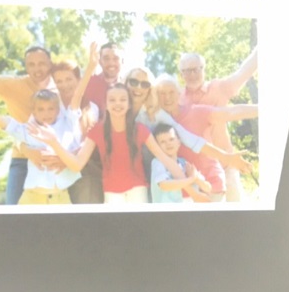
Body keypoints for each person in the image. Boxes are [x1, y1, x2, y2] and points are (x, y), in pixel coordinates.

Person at [30, 83, 186, 204]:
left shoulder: (140, 130)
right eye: (112, 100)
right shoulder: (97, 131)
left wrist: (187, 181)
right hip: (112, 192)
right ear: (105, 104)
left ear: (129, 104)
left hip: (138, 190)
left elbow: (164, 159)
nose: (117, 104)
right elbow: (77, 164)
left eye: (122, 100)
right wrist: (54, 143)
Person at [125, 66, 254, 192]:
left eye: (145, 84)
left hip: (155, 177)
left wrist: (225, 156)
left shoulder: (156, 114)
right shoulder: (119, 106)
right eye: (134, 82)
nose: (139, 88)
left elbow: (190, 139)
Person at [0, 46, 55, 204]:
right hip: (22, 161)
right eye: (31, 64)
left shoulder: (61, 88)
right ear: (26, 66)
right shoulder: (13, 84)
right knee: (13, 211)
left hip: (54, 162)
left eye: (41, 63)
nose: (37, 69)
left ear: (50, 64)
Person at [0, 84, 81, 205]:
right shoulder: (27, 130)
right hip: (33, 198)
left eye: (50, 109)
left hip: (61, 197)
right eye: (41, 109)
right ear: (34, 112)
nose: (46, 113)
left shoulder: (67, 127)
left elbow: (78, 96)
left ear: (58, 110)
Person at [155, 74, 258, 202]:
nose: (167, 97)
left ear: (179, 93)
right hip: (184, 190)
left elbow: (231, 112)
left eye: (171, 92)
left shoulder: (196, 111)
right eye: (162, 93)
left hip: (210, 183)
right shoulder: (157, 122)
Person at [179, 47, 258, 201]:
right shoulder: (177, 99)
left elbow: (244, 72)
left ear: (203, 69)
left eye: (196, 69)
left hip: (226, 163)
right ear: (181, 74)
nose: (192, 75)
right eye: (187, 71)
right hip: (196, 173)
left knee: (236, 208)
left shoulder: (219, 88)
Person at [49, 43, 103, 204]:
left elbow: (88, 143)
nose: (64, 85)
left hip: (84, 173)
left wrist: (66, 158)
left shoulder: (91, 108)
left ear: (79, 80)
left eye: (68, 79)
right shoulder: (50, 105)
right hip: (53, 174)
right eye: (59, 81)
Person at [149, 123, 212, 203]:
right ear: (157, 146)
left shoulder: (183, 163)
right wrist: (190, 179)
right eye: (163, 142)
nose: (168, 143)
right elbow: (164, 185)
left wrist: (196, 178)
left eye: (171, 139)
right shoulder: (158, 162)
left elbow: (207, 188)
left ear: (179, 142)